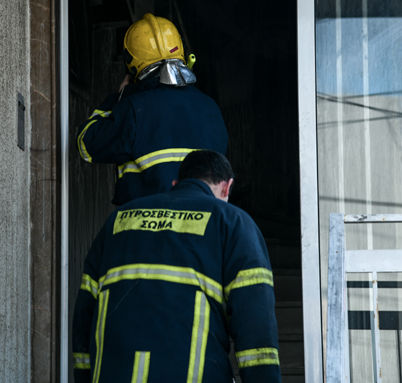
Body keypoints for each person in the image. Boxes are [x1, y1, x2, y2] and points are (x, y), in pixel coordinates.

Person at [72, 150, 280, 383]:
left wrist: (83, 376)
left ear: (175, 184)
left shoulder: (119, 220)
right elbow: (255, 325)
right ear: (227, 187)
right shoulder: (232, 223)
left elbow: (84, 313)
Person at [76, 13, 228, 206]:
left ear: (131, 63)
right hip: (202, 229)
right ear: (180, 51)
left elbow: (86, 145)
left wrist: (118, 98)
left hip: (147, 231)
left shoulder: (132, 109)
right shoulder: (211, 109)